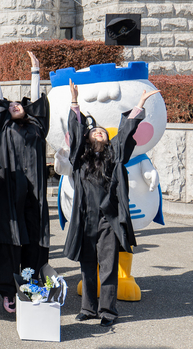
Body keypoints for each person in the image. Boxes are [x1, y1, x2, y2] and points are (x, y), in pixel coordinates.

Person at [64, 80, 156, 327]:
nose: (99, 133)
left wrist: (139, 105)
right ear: (87, 137)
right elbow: (75, 134)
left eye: (103, 132)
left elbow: (124, 134)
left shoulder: (113, 157)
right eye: (95, 131)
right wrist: (74, 101)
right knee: (87, 265)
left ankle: (107, 311)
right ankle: (88, 308)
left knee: (108, 266)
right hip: (85, 218)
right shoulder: (80, 159)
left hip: (108, 218)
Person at [0, 50, 50, 314]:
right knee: (8, 240)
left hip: (35, 192)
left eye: (18, 104)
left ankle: (31, 286)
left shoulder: (37, 128)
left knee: (34, 241)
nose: (14, 106)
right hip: (10, 190)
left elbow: (37, 103)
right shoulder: (4, 128)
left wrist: (35, 72)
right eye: (10, 106)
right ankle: (8, 291)